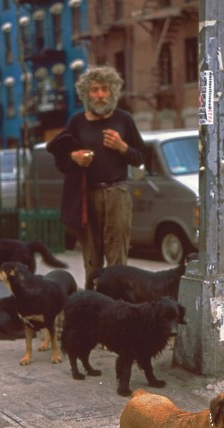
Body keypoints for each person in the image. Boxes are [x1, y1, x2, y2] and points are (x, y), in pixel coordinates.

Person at [47, 65, 145, 284]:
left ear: (113, 92)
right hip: (86, 196)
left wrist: (122, 147)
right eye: (95, 90)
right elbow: (59, 158)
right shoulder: (77, 122)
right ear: (86, 94)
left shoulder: (124, 119)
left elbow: (140, 157)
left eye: (104, 89)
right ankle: (92, 303)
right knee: (91, 256)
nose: (100, 95)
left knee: (117, 255)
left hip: (117, 193)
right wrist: (74, 157)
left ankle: (118, 304)